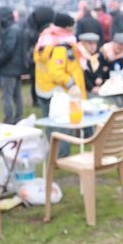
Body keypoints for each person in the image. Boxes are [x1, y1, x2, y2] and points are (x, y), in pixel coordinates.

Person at [33, 12, 86, 158]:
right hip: (58, 91)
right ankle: (61, 156)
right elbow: (57, 72)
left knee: (49, 123)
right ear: (66, 28)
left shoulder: (44, 40)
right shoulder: (61, 46)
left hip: (43, 88)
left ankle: (51, 154)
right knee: (62, 125)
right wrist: (71, 84)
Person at [0, 7, 28, 124]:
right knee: (16, 95)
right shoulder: (15, 28)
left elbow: (8, 49)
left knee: (7, 95)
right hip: (16, 67)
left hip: (9, 68)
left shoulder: (11, 30)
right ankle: (18, 118)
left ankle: (9, 119)